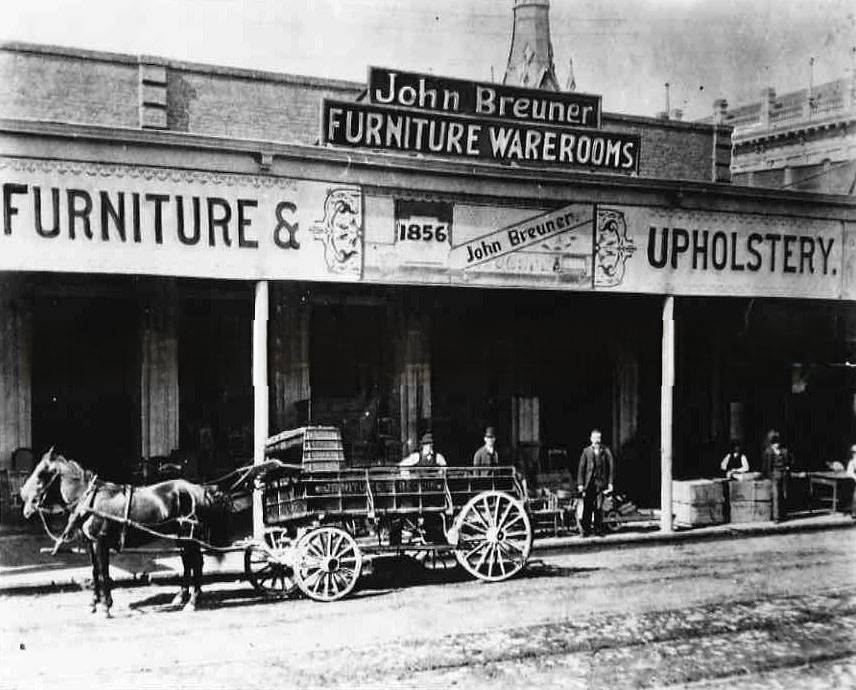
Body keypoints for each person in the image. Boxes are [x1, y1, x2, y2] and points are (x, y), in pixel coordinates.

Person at [576, 429, 614, 537]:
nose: (597, 440)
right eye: (595, 438)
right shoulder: (586, 451)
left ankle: (598, 530)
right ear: (591, 439)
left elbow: (611, 467)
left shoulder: (605, 451)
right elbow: (581, 468)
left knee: (599, 507)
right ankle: (585, 530)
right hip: (589, 484)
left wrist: (610, 482)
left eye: (599, 438)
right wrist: (580, 484)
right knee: (587, 507)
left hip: (600, 483)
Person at [762, 430, 791, 523]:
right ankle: (776, 517)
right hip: (775, 475)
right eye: (774, 443)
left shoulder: (784, 451)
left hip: (784, 474)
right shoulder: (768, 452)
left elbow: (790, 461)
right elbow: (766, 466)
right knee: (776, 496)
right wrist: (769, 476)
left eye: (777, 442)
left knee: (784, 495)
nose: (776, 445)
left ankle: (783, 515)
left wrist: (788, 467)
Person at [845, 444, 856, 519]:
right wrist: (855, 477)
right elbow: (849, 472)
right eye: (853, 452)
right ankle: (854, 513)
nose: (854, 454)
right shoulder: (852, 462)